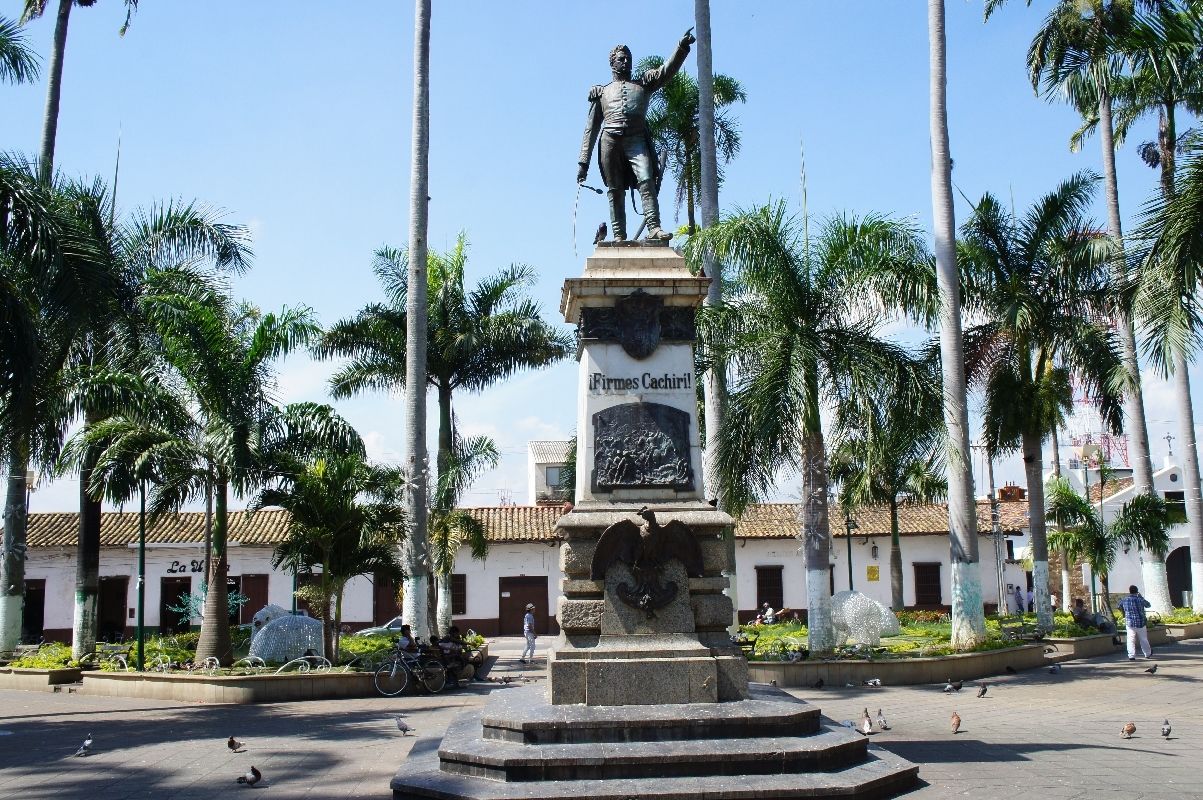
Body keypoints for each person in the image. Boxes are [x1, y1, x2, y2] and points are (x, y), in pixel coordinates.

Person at [577, 28, 696, 242]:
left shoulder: (643, 84)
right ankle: (619, 236)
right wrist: (583, 163)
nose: (626, 62)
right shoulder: (601, 92)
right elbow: (590, 129)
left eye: (628, 59)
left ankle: (654, 227)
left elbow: (667, 71)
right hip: (610, 141)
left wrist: (681, 47)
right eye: (621, 59)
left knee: (647, 180)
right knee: (615, 190)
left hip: (636, 138)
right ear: (612, 63)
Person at [1118, 585, 1153, 661]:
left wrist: (1124, 613)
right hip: (1141, 622)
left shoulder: (1125, 599)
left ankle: (1131, 655)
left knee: (1130, 639)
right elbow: (1148, 605)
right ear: (1137, 591)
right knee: (1143, 639)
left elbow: (1119, 606)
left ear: (1129, 591)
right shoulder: (1140, 599)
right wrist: (1141, 597)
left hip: (1130, 622)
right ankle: (1147, 654)